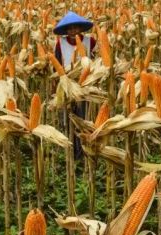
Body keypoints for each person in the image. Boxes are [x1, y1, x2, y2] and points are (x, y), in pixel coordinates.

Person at [53, 11, 97, 160]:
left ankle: (84, 151)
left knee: (83, 116)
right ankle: (72, 151)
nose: (72, 31)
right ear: (65, 31)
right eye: (69, 28)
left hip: (85, 85)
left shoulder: (90, 41)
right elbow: (57, 64)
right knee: (69, 117)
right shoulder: (60, 43)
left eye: (75, 28)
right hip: (67, 84)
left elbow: (96, 61)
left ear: (80, 28)